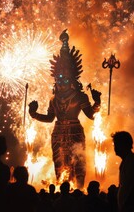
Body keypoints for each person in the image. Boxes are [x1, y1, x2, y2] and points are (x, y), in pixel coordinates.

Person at [28, 29, 101, 189]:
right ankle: (63, 191)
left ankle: (79, 191)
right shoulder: (53, 99)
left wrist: (97, 102)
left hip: (75, 132)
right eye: (58, 77)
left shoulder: (80, 96)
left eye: (65, 77)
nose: (61, 81)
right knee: (60, 166)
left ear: (73, 78)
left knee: (78, 165)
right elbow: (49, 118)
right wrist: (34, 114)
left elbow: (90, 115)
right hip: (58, 133)